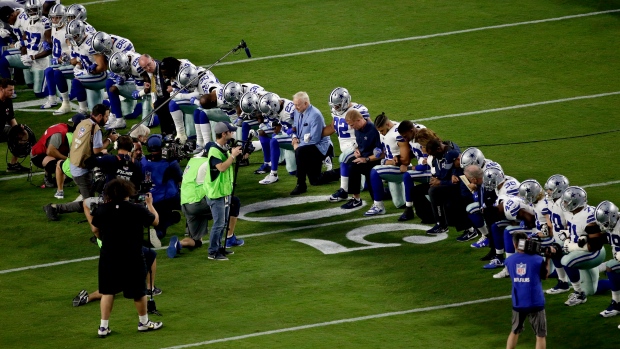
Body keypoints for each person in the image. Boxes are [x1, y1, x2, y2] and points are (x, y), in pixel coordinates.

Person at [86, 178, 162, 337]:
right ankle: (143, 322)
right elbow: (155, 221)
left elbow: (95, 229)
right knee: (138, 292)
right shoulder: (136, 209)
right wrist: (149, 204)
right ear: (128, 191)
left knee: (108, 291)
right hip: (132, 255)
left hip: (109, 256)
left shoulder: (102, 209)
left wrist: (104, 238)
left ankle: (103, 327)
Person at [43, 104, 117, 221]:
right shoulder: (95, 129)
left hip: (75, 163)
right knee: (89, 204)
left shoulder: (84, 122)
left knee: (91, 198)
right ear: (99, 116)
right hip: (82, 170)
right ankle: (54, 207)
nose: (107, 119)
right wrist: (110, 140)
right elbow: (97, 150)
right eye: (106, 116)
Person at [558, 186, 607, 306]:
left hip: (594, 253)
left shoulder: (589, 216)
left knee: (566, 261)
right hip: (580, 250)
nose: (563, 203)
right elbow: (576, 230)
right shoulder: (570, 212)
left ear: (575, 202)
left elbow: (595, 245)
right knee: (591, 290)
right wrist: (568, 235)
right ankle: (602, 268)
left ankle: (579, 294)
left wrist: (573, 246)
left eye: (566, 201)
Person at [203, 122, 242, 260]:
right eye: (230, 131)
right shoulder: (214, 150)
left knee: (223, 223)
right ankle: (212, 252)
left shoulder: (222, 148)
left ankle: (219, 248)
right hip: (216, 193)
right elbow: (221, 168)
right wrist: (232, 156)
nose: (232, 133)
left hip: (223, 191)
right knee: (219, 223)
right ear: (224, 133)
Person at [73, 247, 162, 307]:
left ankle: (87, 298)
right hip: (122, 246)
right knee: (151, 254)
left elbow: (95, 229)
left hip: (108, 249)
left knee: (112, 287)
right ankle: (150, 288)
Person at [504, 231, 549, 349]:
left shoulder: (509, 260)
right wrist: (547, 258)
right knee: (540, 335)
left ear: (514, 245)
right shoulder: (538, 259)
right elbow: (545, 276)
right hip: (536, 301)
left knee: (514, 331)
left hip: (518, 301)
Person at [324, 87, 370, 202]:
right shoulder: (335, 112)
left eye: (338, 105)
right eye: (334, 105)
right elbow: (333, 127)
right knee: (361, 186)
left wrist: (362, 145)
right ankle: (372, 181)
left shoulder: (358, 110)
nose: (335, 107)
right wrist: (316, 136)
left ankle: (343, 191)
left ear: (345, 102)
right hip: (347, 149)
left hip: (358, 148)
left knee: (343, 159)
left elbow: (370, 129)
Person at [290, 91, 334, 195]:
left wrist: (298, 146)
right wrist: (294, 137)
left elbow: (315, 139)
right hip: (307, 145)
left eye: (298, 105)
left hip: (320, 147)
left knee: (300, 152)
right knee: (315, 180)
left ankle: (301, 185)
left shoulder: (315, 115)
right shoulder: (297, 111)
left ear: (306, 103)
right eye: (294, 104)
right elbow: (295, 127)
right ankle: (341, 172)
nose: (295, 107)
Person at [339, 109, 382, 211]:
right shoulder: (357, 129)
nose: (351, 127)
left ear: (359, 120)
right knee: (353, 166)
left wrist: (366, 159)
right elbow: (360, 144)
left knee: (376, 195)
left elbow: (382, 153)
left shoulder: (373, 130)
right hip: (364, 159)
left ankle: (386, 192)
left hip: (373, 161)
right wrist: (357, 150)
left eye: (352, 125)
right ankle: (356, 199)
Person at [141, 135, 183, 239]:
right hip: (169, 197)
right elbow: (181, 179)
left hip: (150, 199)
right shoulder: (169, 163)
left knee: (161, 225)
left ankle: (171, 219)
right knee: (190, 205)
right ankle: (189, 229)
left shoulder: (142, 162)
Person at [424, 138, 467, 235]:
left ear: (439, 149)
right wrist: (435, 179)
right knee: (421, 190)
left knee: (433, 191)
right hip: (447, 184)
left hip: (458, 186)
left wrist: (440, 182)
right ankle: (437, 221)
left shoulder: (452, 155)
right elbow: (440, 174)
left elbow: (456, 181)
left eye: (434, 154)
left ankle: (442, 224)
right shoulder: (438, 157)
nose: (433, 156)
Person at [30, 114, 83, 187]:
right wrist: (67, 159)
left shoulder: (65, 130)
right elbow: (50, 151)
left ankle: (59, 179)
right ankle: (48, 178)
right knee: (56, 164)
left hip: (50, 151)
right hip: (38, 154)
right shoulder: (59, 133)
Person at [542, 174, 571, 294]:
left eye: (550, 189)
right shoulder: (552, 201)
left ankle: (565, 283)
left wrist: (567, 238)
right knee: (554, 252)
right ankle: (563, 281)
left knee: (590, 289)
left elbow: (570, 223)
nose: (548, 192)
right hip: (557, 236)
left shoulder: (564, 204)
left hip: (566, 238)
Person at [594, 200, 620, 318]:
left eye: (605, 222)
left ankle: (617, 304)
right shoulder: (612, 225)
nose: (603, 226)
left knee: (610, 267)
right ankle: (616, 303)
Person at [138, 54, 174, 135]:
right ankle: (166, 132)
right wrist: (148, 84)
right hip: (160, 96)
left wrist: (173, 87)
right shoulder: (148, 71)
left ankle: (168, 131)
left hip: (170, 95)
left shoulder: (163, 69)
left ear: (153, 60)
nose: (148, 68)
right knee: (158, 106)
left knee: (159, 106)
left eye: (149, 65)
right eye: (144, 67)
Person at [0, 78, 29, 172]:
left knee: (23, 133)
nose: (12, 92)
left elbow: (11, 118)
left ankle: (13, 164)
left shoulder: (8, 101)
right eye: (10, 90)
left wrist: (17, 129)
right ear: (1, 89)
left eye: (13, 90)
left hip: (2, 129)